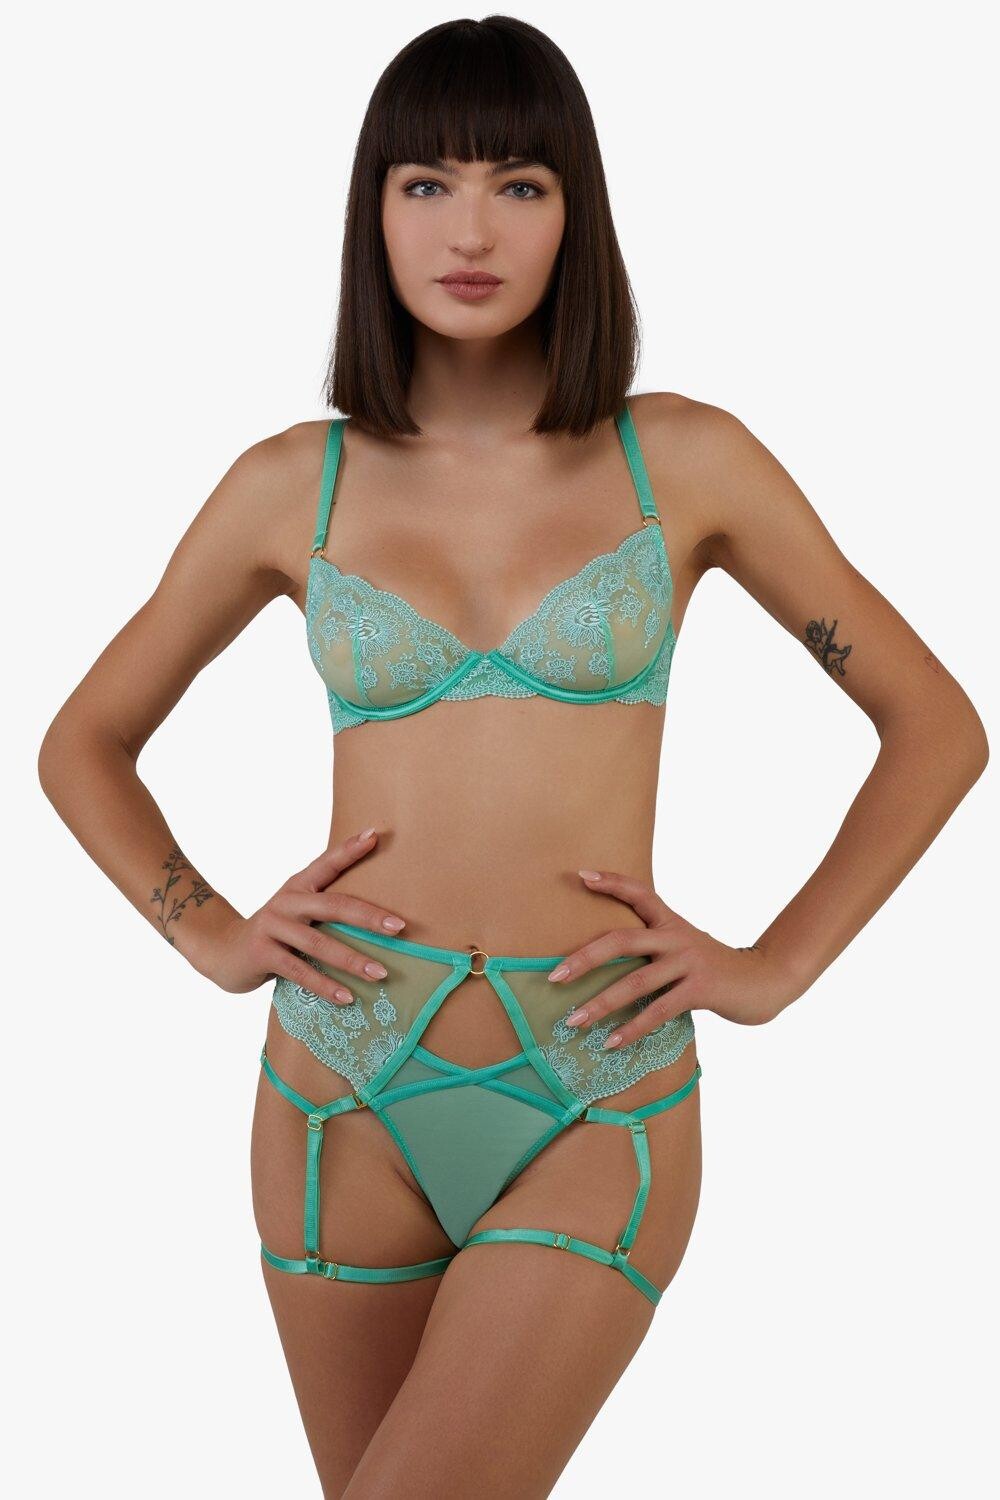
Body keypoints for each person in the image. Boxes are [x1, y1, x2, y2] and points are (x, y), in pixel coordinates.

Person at [37, 14, 989, 1499]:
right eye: (426, 183)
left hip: (597, 1085)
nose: (469, 231)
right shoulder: (291, 485)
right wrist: (213, 936)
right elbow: (83, 741)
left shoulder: (686, 463)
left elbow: (936, 726)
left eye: (519, 185)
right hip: (338, 1088)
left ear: (574, 214)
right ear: (372, 212)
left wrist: (774, 969)